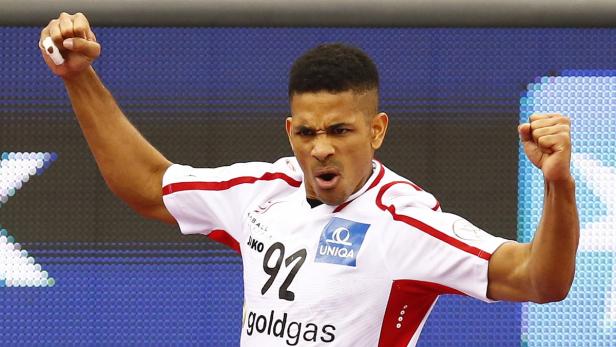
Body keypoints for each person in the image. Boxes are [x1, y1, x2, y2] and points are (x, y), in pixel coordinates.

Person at [39, 12, 579, 346]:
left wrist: (558, 184)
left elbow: (541, 280)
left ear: (377, 131)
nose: (321, 148)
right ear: (290, 129)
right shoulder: (261, 192)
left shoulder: (405, 223)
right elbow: (147, 184)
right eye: (307, 132)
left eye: (341, 130)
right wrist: (78, 75)